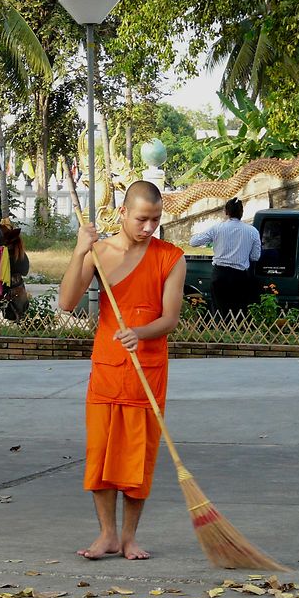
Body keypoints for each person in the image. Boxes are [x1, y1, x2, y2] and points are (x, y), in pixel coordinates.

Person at [58, 180, 186, 561]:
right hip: (108, 369)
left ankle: (130, 537)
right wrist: (80, 251)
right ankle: (107, 535)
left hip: (147, 369)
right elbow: (66, 302)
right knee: (100, 454)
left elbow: (170, 319)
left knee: (137, 457)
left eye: (156, 220)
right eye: (143, 219)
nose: (149, 228)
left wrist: (140, 333)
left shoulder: (171, 257)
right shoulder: (100, 252)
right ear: (123, 214)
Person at [189, 197, 261, 317]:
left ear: (226, 212)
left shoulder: (217, 228)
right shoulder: (252, 231)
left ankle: (221, 331)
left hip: (220, 275)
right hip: (240, 277)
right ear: (242, 213)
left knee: (220, 311)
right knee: (239, 311)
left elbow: (193, 242)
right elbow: (255, 257)